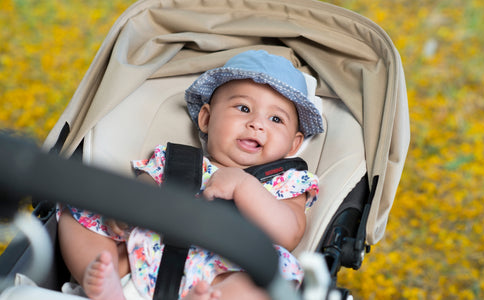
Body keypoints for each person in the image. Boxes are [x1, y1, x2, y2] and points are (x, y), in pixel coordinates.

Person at [57, 50, 324, 300]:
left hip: (225, 270)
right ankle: (107, 279)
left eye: (276, 119)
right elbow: (142, 190)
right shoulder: (176, 159)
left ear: (293, 144)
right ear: (206, 119)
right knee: (78, 209)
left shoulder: (287, 181)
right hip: (147, 253)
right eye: (243, 108)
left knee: (278, 274)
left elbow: (289, 233)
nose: (257, 124)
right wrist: (127, 209)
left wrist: (245, 187)